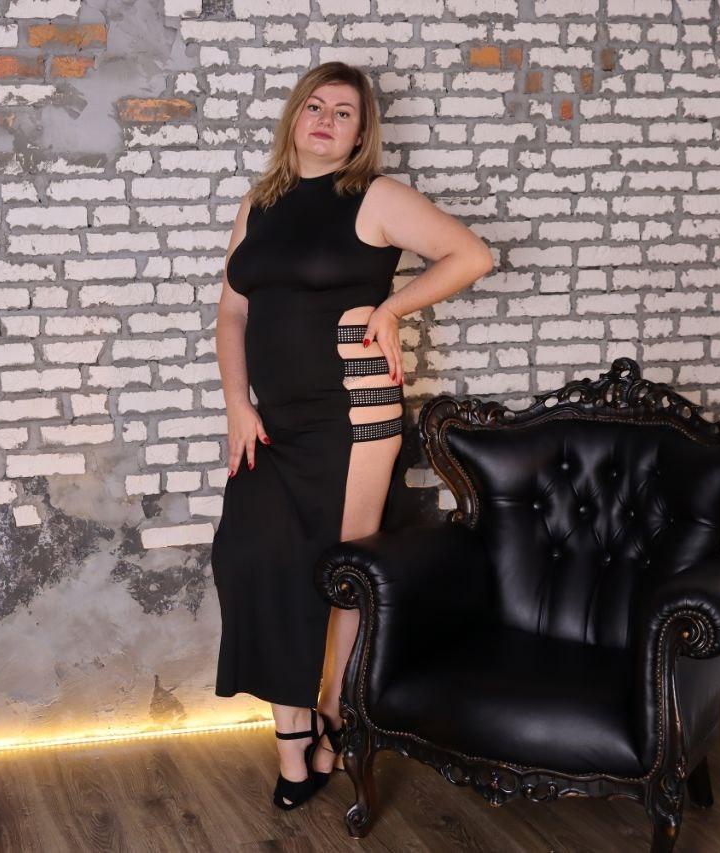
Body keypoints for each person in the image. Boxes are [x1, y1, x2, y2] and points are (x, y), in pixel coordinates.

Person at [210, 61, 494, 810]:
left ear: (361, 132)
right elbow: (232, 312)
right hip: (274, 421)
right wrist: (237, 402)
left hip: (354, 415)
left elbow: (472, 255)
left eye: (344, 111)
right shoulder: (260, 203)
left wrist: (393, 309)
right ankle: (293, 727)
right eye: (315, 105)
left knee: (340, 574)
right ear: (294, 117)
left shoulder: (375, 197)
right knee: (250, 558)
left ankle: (333, 716)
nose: (327, 120)